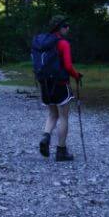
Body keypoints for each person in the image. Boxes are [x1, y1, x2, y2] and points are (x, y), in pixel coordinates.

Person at [30, 15, 82, 161]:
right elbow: (68, 66)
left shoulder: (42, 42)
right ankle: (61, 151)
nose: (68, 28)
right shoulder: (63, 43)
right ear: (60, 27)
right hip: (60, 84)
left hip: (45, 84)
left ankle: (45, 137)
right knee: (64, 117)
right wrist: (77, 76)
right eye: (66, 26)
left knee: (53, 114)